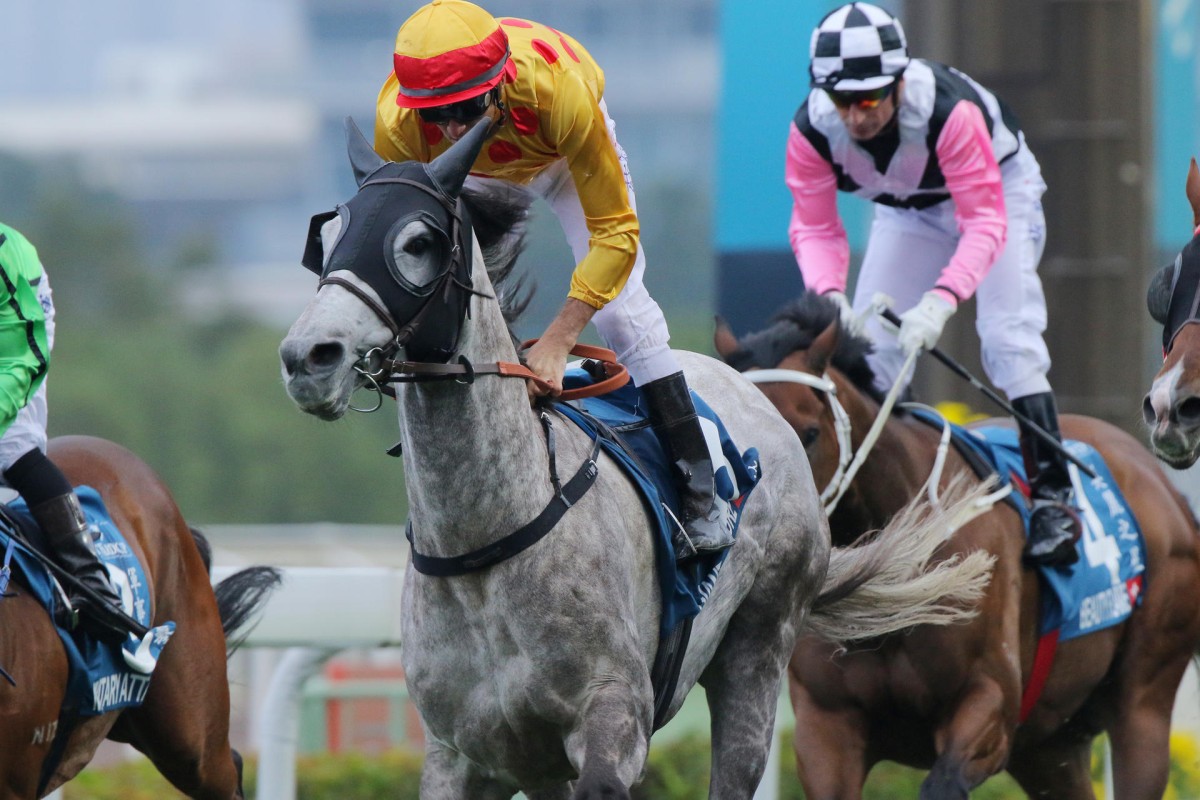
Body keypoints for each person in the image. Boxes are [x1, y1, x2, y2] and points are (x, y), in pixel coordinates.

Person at [374, 0, 734, 558]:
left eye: (466, 109)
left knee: (619, 310)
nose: (450, 128)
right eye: (435, 117)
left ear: (496, 84)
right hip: (472, 180)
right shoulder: (398, 125)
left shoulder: (558, 91)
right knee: (437, 302)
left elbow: (617, 235)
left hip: (559, 157)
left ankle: (700, 491)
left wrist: (561, 338)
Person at [787, 1, 1080, 567]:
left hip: (1000, 197)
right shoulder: (810, 130)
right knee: (871, 353)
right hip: (908, 213)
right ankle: (890, 496)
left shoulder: (947, 113)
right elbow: (816, 226)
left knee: (1006, 337)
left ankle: (1054, 500)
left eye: (870, 98)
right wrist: (828, 298)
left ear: (899, 82)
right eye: (843, 100)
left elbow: (984, 222)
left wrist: (942, 301)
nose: (857, 116)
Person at [0, 222, 142, 642]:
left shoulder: (5, 255)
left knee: (10, 446)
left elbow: (22, 358)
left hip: (15, 330)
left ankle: (92, 587)